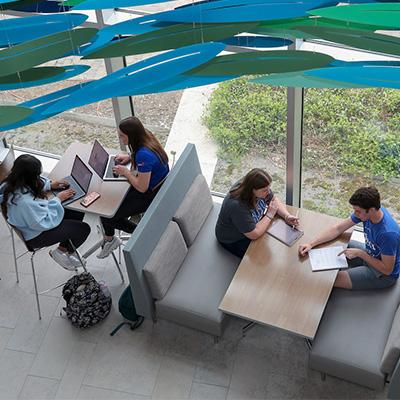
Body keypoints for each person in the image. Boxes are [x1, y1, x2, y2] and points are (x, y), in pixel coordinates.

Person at [298, 187, 400, 290]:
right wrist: (311, 244)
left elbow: (387, 269)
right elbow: (338, 228)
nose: (355, 214)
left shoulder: (388, 234)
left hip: (382, 274)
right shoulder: (370, 211)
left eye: (358, 211)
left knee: (327, 280)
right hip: (371, 253)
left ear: (371, 210)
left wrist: (361, 254)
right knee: (333, 247)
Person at [0, 154, 90, 271]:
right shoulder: (24, 203)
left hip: (31, 224)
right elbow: (43, 223)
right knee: (84, 229)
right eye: (37, 175)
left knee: (76, 210)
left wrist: (50, 185)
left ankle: (63, 248)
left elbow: (29, 188)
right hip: (36, 234)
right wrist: (58, 199)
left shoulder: (10, 183)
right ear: (30, 177)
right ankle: (65, 252)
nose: (39, 178)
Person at [97, 116, 169, 259]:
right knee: (107, 206)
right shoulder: (146, 136)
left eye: (122, 136)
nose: (120, 138)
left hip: (150, 195)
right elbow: (143, 156)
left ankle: (139, 234)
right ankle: (109, 239)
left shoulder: (144, 155)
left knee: (106, 214)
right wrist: (130, 157)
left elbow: (142, 188)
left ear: (131, 135)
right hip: (158, 187)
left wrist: (126, 172)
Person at [215, 168, 299, 258]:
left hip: (251, 226)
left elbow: (273, 200)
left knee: (279, 245)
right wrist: (269, 215)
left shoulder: (257, 187)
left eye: (269, 188)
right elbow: (254, 234)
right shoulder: (236, 205)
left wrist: (287, 216)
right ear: (252, 190)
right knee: (260, 258)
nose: (268, 192)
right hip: (234, 239)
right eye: (265, 190)